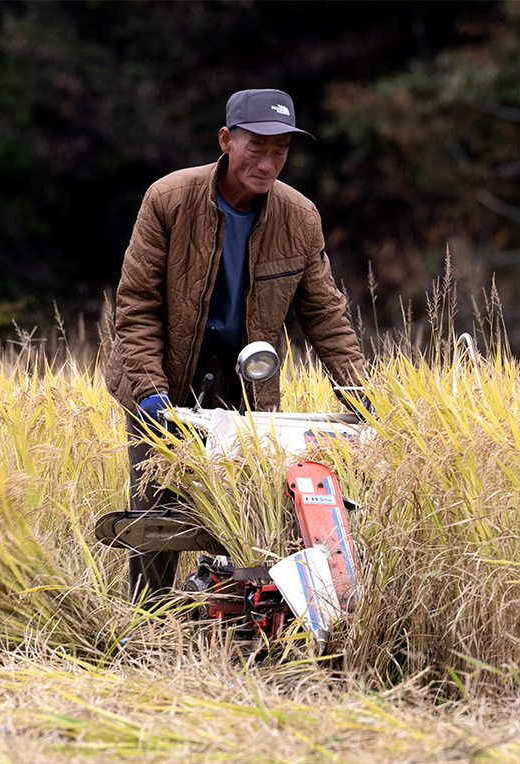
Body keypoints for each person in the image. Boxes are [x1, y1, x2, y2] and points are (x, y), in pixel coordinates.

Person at [108, 88, 368, 599]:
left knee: (252, 516)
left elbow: (326, 316)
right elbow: (136, 306)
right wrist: (150, 394)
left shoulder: (299, 217)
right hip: (164, 375)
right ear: (226, 140)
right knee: (158, 518)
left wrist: (360, 393)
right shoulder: (169, 199)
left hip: (245, 382)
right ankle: (146, 627)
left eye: (280, 151)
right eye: (257, 147)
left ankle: (234, 623)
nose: (268, 163)